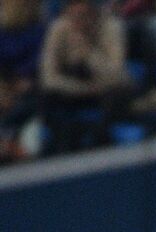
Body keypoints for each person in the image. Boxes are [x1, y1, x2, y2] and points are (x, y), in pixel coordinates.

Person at [38, 0, 131, 154]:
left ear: (94, 13)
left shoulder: (112, 27)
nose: (78, 21)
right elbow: (49, 78)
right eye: (73, 16)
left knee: (118, 94)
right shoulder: (59, 28)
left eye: (84, 15)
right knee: (44, 96)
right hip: (76, 88)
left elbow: (117, 75)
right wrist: (84, 89)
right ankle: (62, 142)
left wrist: (88, 53)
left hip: (107, 88)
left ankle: (100, 140)